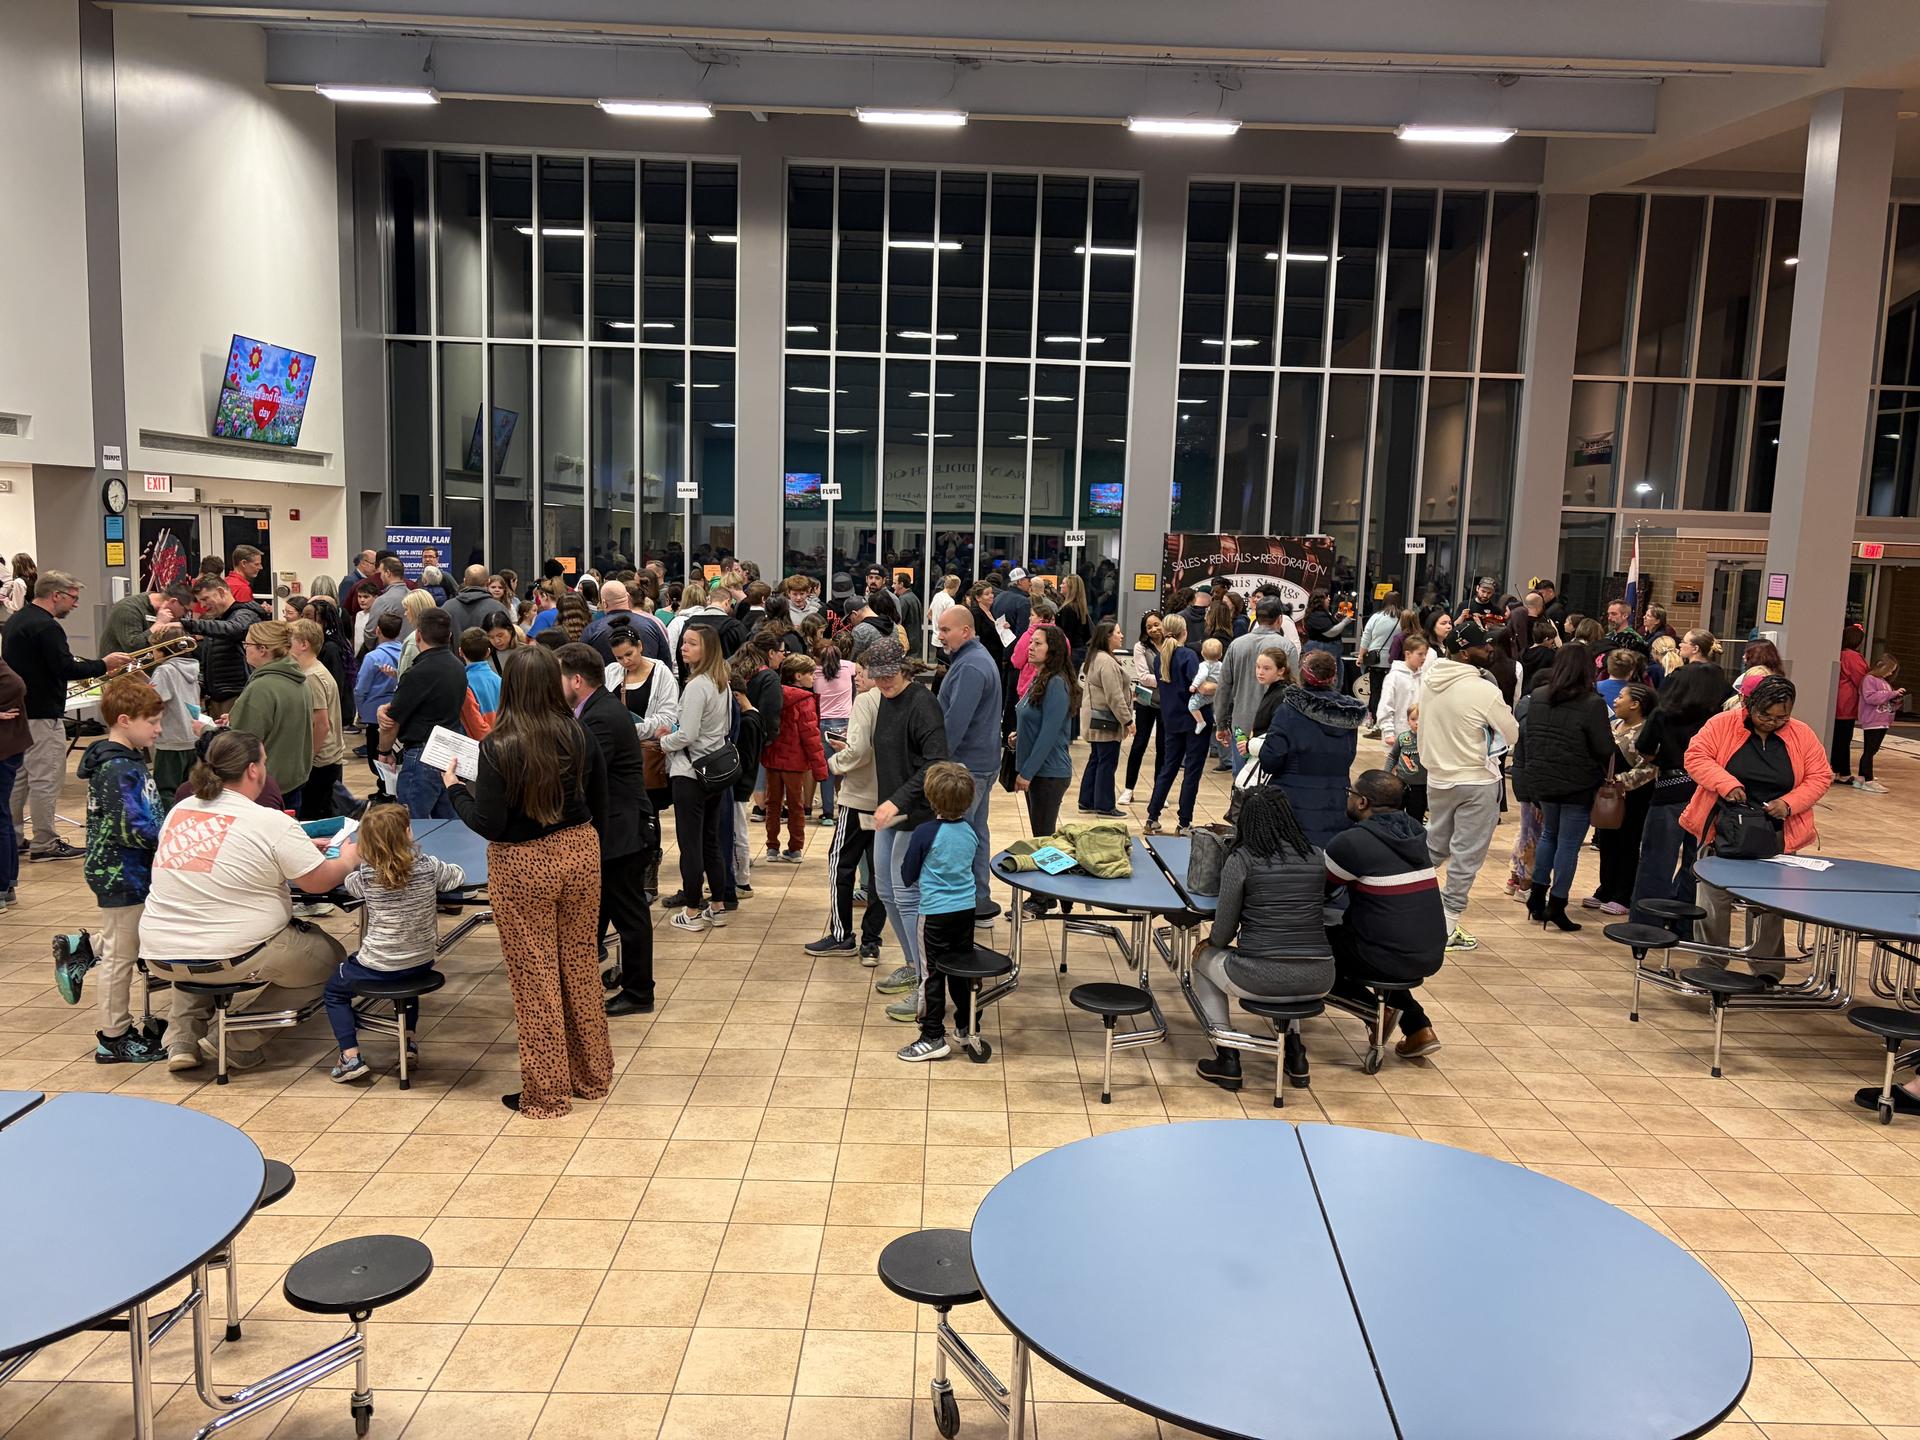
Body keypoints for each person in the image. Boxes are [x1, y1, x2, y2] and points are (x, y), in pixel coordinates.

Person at [446, 646, 613, 1116]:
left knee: (534, 978)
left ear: (511, 687)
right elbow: (600, 802)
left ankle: (546, 1093)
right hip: (580, 852)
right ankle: (592, 1075)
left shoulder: (498, 746)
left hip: (522, 866)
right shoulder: (580, 733)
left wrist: (455, 789)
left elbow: (492, 823)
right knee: (579, 964)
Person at [140, 730, 355, 1072]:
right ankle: (234, 1041)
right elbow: (319, 882)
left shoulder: (181, 811)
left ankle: (181, 1040)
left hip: (159, 952)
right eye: (264, 762)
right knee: (332, 961)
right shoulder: (267, 821)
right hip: (234, 952)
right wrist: (348, 858)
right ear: (253, 770)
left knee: (198, 945)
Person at [1683, 675, 1833, 982]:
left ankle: (1767, 971)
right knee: (1714, 899)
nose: (1773, 722)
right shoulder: (1721, 725)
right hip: (1722, 827)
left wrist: (1789, 803)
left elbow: (1820, 776)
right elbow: (1695, 757)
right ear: (1749, 706)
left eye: (1782, 717)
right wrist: (1726, 784)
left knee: (1769, 905)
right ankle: (1710, 966)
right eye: (1766, 715)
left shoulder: (1801, 734)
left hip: (1776, 832)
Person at [1190, 786, 1334, 1092]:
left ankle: (1226, 1053)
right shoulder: (1317, 856)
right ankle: (1295, 1051)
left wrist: (1210, 943)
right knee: (1292, 970)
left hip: (1261, 977)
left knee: (1201, 959)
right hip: (1320, 975)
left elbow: (1223, 931)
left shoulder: (1242, 859)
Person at [55, 676, 168, 1063]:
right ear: (124, 720)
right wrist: (169, 838)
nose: (158, 728)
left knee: (125, 941)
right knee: (121, 956)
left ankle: (84, 948)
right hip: (121, 871)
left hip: (132, 869)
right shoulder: (118, 768)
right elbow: (131, 827)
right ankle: (113, 1036)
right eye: (151, 721)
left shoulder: (126, 761)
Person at [322, 803, 466, 1082]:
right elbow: (456, 876)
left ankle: (350, 1056)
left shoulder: (366, 876)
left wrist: (350, 860)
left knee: (334, 992)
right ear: (408, 834)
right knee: (406, 985)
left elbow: (347, 882)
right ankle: (408, 1042)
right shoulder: (428, 867)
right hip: (421, 961)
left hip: (378, 964)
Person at [556, 643, 658, 1019]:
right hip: (617, 827)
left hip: (621, 830)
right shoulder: (597, 709)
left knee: (629, 914)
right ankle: (588, 979)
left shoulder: (599, 717)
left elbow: (581, 773)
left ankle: (638, 991)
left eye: (559, 678)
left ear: (576, 680)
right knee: (601, 910)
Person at [4, 572, 131, 862]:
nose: (74, 605)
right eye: (73, 598)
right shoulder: (46, 626)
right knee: (45, 779)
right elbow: (64, 668)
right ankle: (45, 842)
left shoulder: (17, 620)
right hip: (43, 714)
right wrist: (103, 665)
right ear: (56, 595)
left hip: (23, 712)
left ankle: (13, 837)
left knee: (21, 777)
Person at [1322, 770, 1449, 1059]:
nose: (1348, 798)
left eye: (1350, 794)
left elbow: (1321, 890)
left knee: (1310, 951)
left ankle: (1373, 1012)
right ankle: (1418, 1027)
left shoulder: (1353, 842)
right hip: (1430, 950)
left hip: (1385, 953)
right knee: (1380, 944)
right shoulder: (1415, 833)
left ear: (1363, 802)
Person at [865, 638, 952, 1022]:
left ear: (904, 669)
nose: (883, 684)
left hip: (917, 812)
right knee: (884, 889)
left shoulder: (923, 705)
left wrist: (897, 800)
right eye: (877, 678)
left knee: (906, 893)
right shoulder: (886, 698)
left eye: (889, 677)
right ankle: (912, 963)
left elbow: (935, 763)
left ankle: (925, 984)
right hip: (892, 808)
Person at [1419, 621, 1519, 953]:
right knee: (1466, 856)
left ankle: (1410, 904)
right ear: (1465, 652)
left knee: (1434, 847)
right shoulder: (1483, 690)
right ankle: (1446, 924)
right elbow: (1513, 733)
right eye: (1484, 646)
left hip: (1438, 779)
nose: (1491, 650)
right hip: (1477, 781)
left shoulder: (1429, 679)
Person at [1515, 644, 1612, 932]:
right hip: (1577, 783)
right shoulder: (1592, 703)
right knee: (1569, 846)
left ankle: (1536, 898)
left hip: (1543, 778)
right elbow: (1604, 747)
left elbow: (1531, 737)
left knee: (1549, 838)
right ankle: (1557, 905)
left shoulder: (1541, 696)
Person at [1627, 661, 1728, 927]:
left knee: (1656, 861)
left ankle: (1646, 924)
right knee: (1697, 865)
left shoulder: (1663, 713)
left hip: (1669, 791)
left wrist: (1665, 759)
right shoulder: (1718, 719)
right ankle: (1686, 923)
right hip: (1706, 794)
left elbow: (1645, 748)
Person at [895, 763, 984, 1062]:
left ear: (931, 798)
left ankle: (932, 1034)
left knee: (931, 974)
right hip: (965, 910)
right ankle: (964, 1024)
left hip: (934, 914)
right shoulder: (971, 831)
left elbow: (908, 875)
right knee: (960, 969)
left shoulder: (924, 833)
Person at [807, 658, 889, 963]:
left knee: (839, 864)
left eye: (862, 673)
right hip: (886, 802)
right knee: (879, 872)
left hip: (858, 800)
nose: (856, 678)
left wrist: (835, 761)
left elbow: (859, 752)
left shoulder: (866, 701)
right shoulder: (905, 699)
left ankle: (841, 935)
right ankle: (872, 941)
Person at [657, 622, 734, 931]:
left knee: (690, 843)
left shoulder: (697, 685)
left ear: (707, 649)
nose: (683, 647)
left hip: (690, 774)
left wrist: (663, 743)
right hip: (714, 771)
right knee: (711, 841)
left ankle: (691, 910)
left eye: (691, 643)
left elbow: (686, 734)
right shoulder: (722, 682)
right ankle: (716, 905)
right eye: (684, 642)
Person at [935, 601, 1004, 925]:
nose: (940, 635)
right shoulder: (972, 660)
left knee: (961, 836)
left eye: (946, 630)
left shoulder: (971, 667)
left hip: (968, 767)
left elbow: (955, 722)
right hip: (979, 763)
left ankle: (967, 905)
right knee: (976, 831)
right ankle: (979, 902)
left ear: (966, 631)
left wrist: (934, 761)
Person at [1256, 649, 1365, 848]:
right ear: (1334, 676)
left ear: (1302, 675)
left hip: (1291, 803)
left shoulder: (1289, 711)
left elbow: (1270, 759)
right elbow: (1349, 755)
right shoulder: (1348, 715)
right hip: (1336, 800)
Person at [606, 625, 678, 897]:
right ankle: (624, 875)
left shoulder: (662, 674)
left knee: (648, 817)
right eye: (619, 657)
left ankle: (650, 875)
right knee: (620, 816)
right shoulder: (611, 674)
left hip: (648, 761)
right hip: (616, 760)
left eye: (629, 654)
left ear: (640, 647)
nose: (625, 661)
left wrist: (627, 729)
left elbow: (668, 719)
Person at [379, 609, 467, 820]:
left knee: (412, 825)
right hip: (450, 752)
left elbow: (392, 721)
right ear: (449, 636)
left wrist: (384, 750)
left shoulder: (417, 673)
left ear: (418, 635)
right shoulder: (458, 667)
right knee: (449, 826)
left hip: (423, 754)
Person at [227, 620, 315, 809]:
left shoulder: (263, 687)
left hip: (264, 787)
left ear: (262, 649)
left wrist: (207, 730)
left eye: (247, 645)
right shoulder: (299, 679)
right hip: (293, 780)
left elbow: (241, 742)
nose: (245, 649)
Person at [1587, 681, 1657, 917]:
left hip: (1635, 796)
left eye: (1620, 697)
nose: (1615, 700)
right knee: (1607, 841)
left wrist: (1622, 781)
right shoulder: (1614, 725)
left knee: (1628, 844)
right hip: (1609, 794)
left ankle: (1623, 894)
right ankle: (1604, 888)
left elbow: (1650, 767)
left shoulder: (1647, 731)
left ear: (1636, 704)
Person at [1012, 625, 1077, 872]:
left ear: (1053, 650)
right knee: (1040, 836)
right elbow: (1037, 722)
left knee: (1044, 839)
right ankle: (1047, 894)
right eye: (1031, 642)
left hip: (1049, 773)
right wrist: (1019, 736)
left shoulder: (1056, 683)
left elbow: (1050, 734)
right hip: (1040, 771)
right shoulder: (1040, 678)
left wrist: (1027, 773)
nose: (1031, 647)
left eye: (1038, 643)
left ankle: (1046, 895)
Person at [761, 653, 829, 863]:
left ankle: (772, 847)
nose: (814, 677)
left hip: (772, 757)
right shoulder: (805, 700)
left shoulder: (772, 693)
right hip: (795, 761)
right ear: (798, 676)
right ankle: (795, 848)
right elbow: (810, 736)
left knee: (772, 804)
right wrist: (820, 769)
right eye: (810, 673)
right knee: (796, 805)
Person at [1144, 614, 1207, 836]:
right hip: (1193, 720)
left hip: (1170, 718)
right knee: (1192, 770)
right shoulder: (1188, 656)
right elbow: (1197, 686)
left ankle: (1152, 817)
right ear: (1185, 631)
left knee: (1168, 767)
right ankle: (1184, 822)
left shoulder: (1161, 657)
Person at [289, 619, 346, 821]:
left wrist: (308, 759)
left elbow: (320, 723)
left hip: (321, 760)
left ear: (304, 644)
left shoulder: (312, 676)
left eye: (290, 640)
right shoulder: (314, 671)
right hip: (326, 758)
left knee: (313, 816)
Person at [1078, 620, 1132, 818]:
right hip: (1105, 721)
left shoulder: (1096, 657)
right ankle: (1105, 804)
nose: (1121, 635)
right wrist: (1127, 720)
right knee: (1107, 762)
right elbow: (1114, 695)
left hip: (1095, 718)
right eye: (1118, 632)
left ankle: (1087, 800)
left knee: (1097, 759)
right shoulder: (1106, 662)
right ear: (1108, 636)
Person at [1122, 612, 1166, 806]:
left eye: (1157, 624)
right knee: (1139, 744)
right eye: (1149, 627)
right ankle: (1128, 789)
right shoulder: (1140, 647)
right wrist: (1169, 681)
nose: (1154, 629)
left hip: (1167, 704)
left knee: (1163, 747)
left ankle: (1159, 791)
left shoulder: (1172, 644)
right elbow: (1143, 676)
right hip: (1145, 702)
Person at [809, 633, 853, 823]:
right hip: (846, 722)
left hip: (824, 723)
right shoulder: (849, 667)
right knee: (845, 768)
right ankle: (844, 808)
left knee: (826, 769)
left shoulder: (815, 675)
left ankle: (827, 813)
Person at [1857, 653, 1905, 795]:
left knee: (1873, 750)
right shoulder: (1869, 679)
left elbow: (1885, 699)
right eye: (1890, 669)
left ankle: (1862, 777)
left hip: (1883, 720)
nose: (1891, 673)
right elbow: (1870, 697)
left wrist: (1896, 700)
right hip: (1873, 720)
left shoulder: (1885, 682)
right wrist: (1891, 694)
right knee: (1869, 750)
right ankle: (1868, 780)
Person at [1357, 590, 1402, 734]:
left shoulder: (1376, 617)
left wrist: (1361, 656)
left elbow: (1366, 638)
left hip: (1376, 662)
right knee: (1392, 693)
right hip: (1395, 662)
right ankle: (1390, 722)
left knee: (1375, 692)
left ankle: (1375, 720)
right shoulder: (1403, 618)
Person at [102, 582, 189, 657]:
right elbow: (133, 647)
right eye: (186, 610)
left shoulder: (168, 614)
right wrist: (158, 624)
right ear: (173, 601)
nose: (185, 615)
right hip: (120, 673)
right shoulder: (128, 609)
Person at [1832, 626, 1871, 786]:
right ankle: (1844, 773)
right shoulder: (1853, 657)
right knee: (1844, 738)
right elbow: (1862, 680)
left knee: (1836, 737)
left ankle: (1835, 770)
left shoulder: (1838, 653)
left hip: (1836, 700)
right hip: (1846, 702)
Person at [1375, 633, 1426, 745]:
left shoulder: (1424, 677)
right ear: (1408, 654)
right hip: (1397, 735)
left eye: (1425, 654)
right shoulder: (1394, 677)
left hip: (1418, 735)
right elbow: (1385, 705)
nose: (1424, 658)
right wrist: (1388, 732)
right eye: (1420, 654)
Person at [366, 555, 415, 638]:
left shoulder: (382, 601)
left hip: (388, 649)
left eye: (381, 573)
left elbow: (370, 632)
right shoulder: (416, 598)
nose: (380, 577)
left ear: (388, 573)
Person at [1188, 637, 1225, 736]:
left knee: (1192, 706)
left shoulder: (1203, 665)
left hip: (1204, 695)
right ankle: (1217, 720)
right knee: (1216, 708)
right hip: (1216, 694)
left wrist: (1194, 685)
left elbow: (1201, 676)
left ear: (1202, 654)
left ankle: (1200, 722)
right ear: (1221, 655)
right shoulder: (1221, 665)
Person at [992, 567, 1033, 636]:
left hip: (996, 643)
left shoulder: (999, 597)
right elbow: (1022, 633)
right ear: (1019, 581)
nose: (1031, 583)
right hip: (1013, 644)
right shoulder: (1023, 601)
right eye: (1029, 580)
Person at [893, 572, 926, 657]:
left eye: (894, 583)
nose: (893, 586)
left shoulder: (903, 599)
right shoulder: (914, 597)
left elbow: (898, 621)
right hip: (916, 640)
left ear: (901, 584)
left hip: (907, 640)